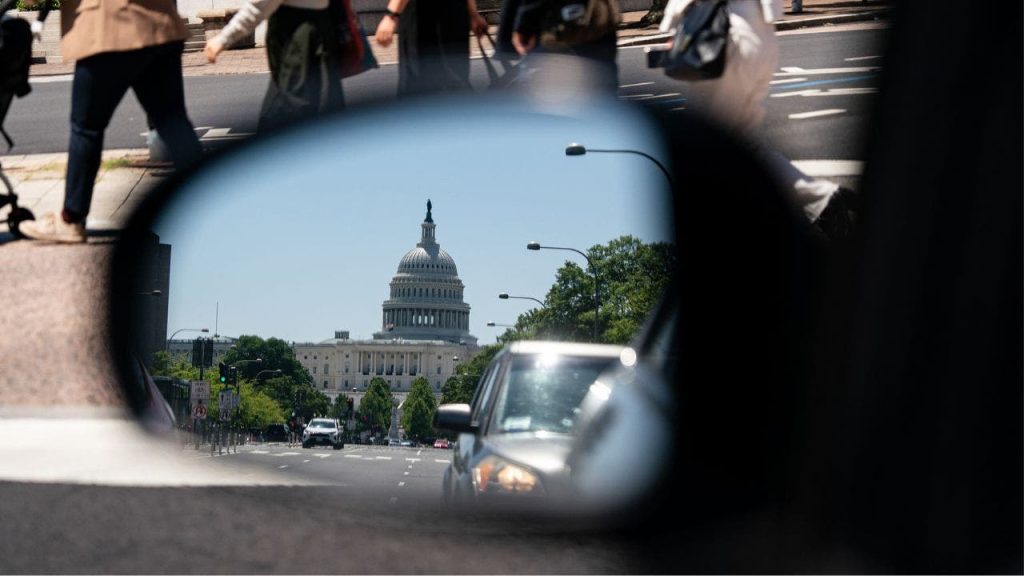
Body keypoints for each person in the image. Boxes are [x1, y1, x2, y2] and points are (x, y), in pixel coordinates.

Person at [658, 0, 858, 243]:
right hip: (761, 35)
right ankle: (822, 202)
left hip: (726, 37)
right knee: (741, 142)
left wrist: (673, 25)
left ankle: (817, 203)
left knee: (709, 142)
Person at [19, 0, 203, 244]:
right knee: (173, 122)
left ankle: (71, 218)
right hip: (161, 23)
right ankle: (211, 202)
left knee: (86, 127)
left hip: (110, 28)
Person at [204, 0, 344, 132]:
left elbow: (260, 5)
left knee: (287, 114)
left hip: (296, 39)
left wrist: (224, 38)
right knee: (324, 106)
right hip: (321, 32)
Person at [373, 0, 489, 97]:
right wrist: (473, 12)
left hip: (422, 19)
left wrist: (391, 15)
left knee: (418, 88)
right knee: (455, 80)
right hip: (455, 14)